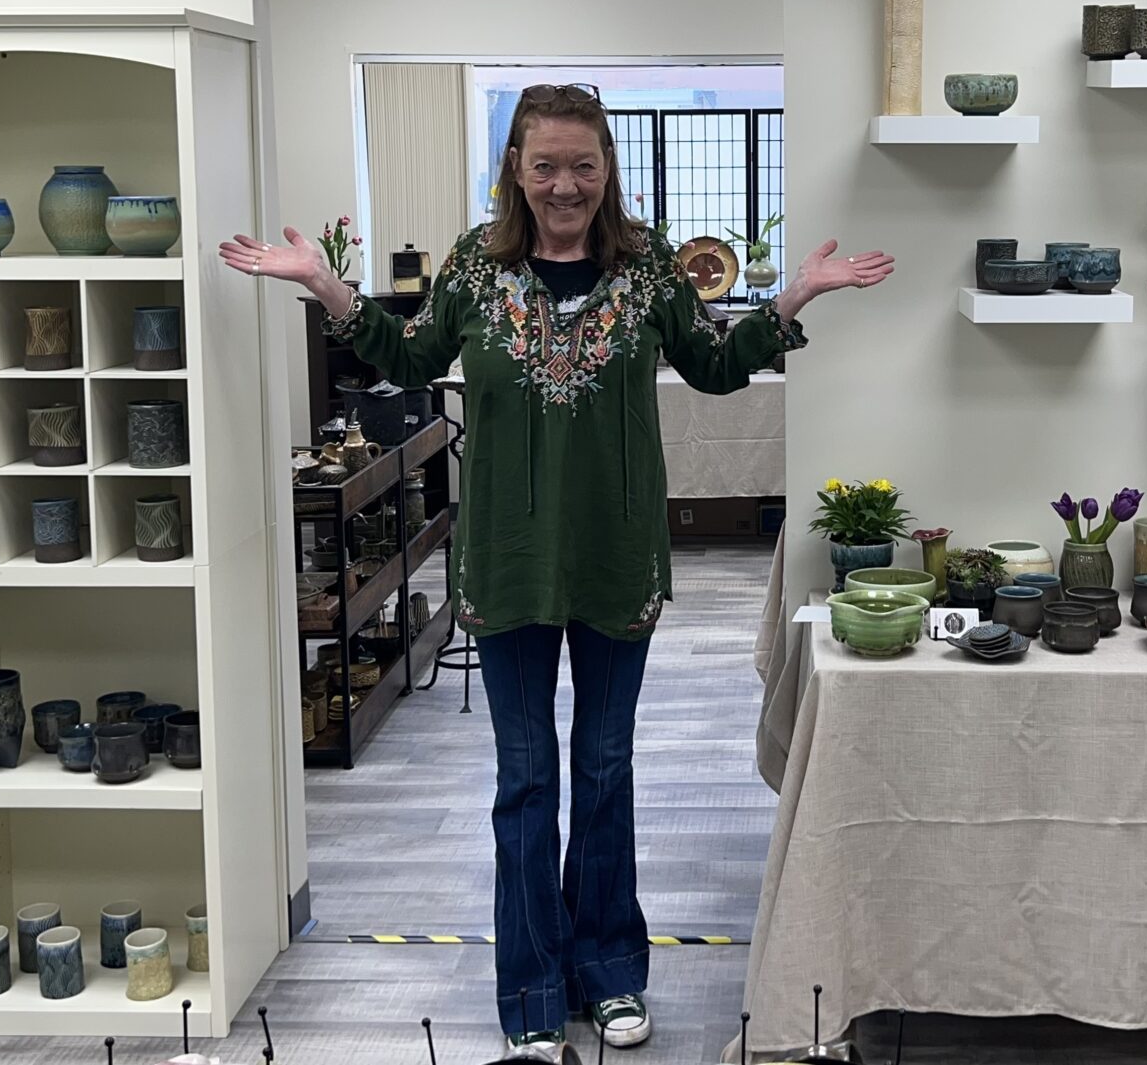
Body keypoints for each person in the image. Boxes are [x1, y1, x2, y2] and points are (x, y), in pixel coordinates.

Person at [221, 83, 892, 1063]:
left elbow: (712, 366)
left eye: (583, 164)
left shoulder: (648, 266)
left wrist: (793, 296)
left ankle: (611, 975)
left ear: (607, 167)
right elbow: (408, 361)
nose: (566, 185)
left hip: (618, 561)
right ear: (517, 171)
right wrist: (327, 286)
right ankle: (533, 992)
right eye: (546, 166)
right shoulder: (474, 270)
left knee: (606, 771)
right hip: (504, 562)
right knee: (526, 780)